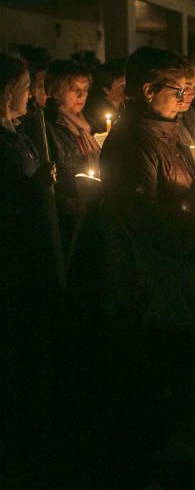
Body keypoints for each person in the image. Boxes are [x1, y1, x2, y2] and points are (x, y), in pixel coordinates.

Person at [98, 47, 195, 490]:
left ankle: (159, 454)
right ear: (147, 91)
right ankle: (134, 476)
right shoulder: (130, 141)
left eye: (189, 91)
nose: (186, 100)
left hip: (177, 275)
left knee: (171, 368)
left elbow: (180, 185)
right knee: (145, 374)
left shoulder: (169, 130)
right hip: (146, 279)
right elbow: (142, 215)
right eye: (178, 91)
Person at [0, 54, 57, 469]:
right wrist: (36, 188)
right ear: (7, 95)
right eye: (26, 89)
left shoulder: (15, 135)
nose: (32, 97)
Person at [44, 60, 100, 247]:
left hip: (91, 207)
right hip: (69, 214)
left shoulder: (86, 124)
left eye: (85, 89)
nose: (81, 95)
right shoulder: (47, 127)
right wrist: (64, 202)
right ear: (54, 90)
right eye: (73, 88)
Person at [84, 59, 126, 133]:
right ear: (106, 90)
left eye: (126, 84)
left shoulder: (126, 106)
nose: (126, 89)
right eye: (121, 86)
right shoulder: (97, 114)